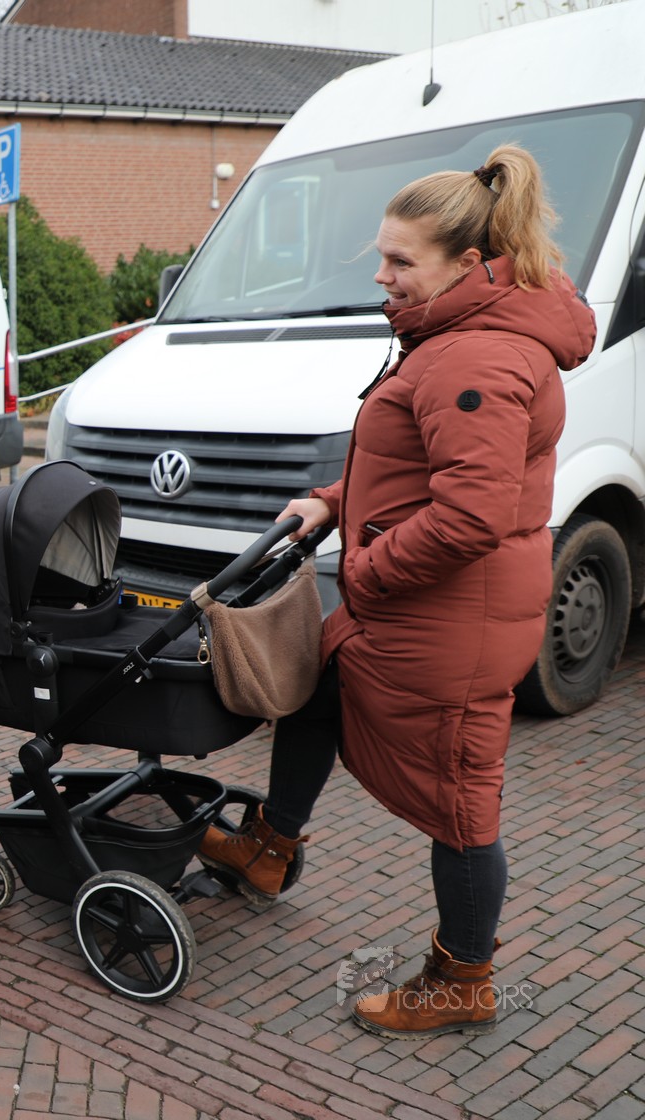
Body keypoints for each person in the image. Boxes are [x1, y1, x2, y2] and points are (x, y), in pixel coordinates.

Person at [198, 144, 595, 1039]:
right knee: (318, 688)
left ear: (467, 263)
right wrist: (334, 503)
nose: (380, 275)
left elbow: (470, 513)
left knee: (461, 800)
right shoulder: (456, 338)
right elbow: (418, 470)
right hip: (440, 609)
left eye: (398, 261)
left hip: (451, 621)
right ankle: (270, 846)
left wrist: (367, 571)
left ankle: (462, 979)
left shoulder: (473, 359)